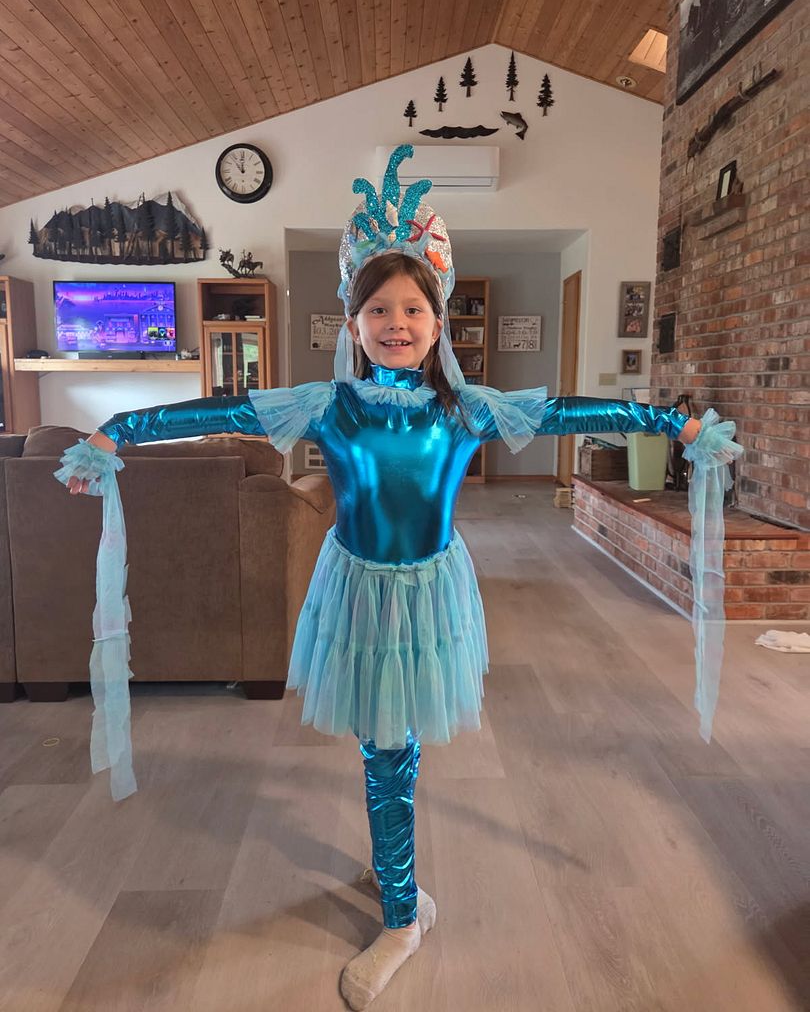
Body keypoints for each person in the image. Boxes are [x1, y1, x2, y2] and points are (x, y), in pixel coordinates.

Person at [56, 146, 741, 1010]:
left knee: (391, 750)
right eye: (377, 308)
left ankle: (403, 912)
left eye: (413, 308)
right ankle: (399, 884)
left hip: (427, 594)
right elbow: (221, 408)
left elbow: (568, 409)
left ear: (438, 321)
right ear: (352, 324)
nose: (396, 322)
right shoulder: (329, 405)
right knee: (383, 746)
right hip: (357, 590)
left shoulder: (466, 409)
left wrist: (672, 425)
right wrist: (119, 428)